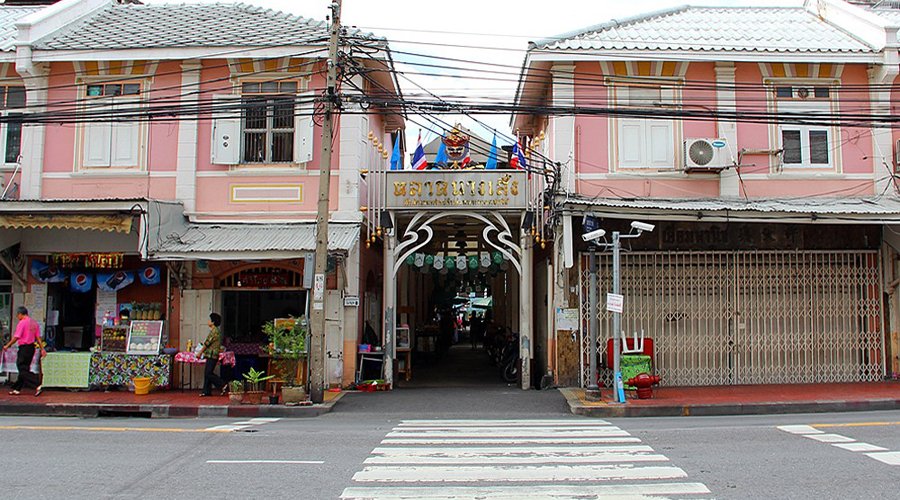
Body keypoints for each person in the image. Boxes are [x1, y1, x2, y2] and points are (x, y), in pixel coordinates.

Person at [2, 307, 46, 396]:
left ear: (20, 314)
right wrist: (42, 349)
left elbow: (16, 337)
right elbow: (38, 338)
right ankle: (17, 388)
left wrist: (7, 345)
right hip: (31, 348)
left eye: (17, 315)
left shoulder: (22, 323)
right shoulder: (34, 323)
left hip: (24, 347)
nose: (17, 317)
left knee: (22, 368)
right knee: (25, 367)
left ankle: (37, 383)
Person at [198, 312, 225, 396]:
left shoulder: (214, 332)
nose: (208, 321)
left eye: (209, 320)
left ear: (213, 322)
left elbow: (207, 343)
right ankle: (206, 391)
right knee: (207, 372)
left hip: (212, 354)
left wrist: (200, 352)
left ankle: (222, 384)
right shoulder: (215, 331)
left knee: (208, 373)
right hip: (211, 354)